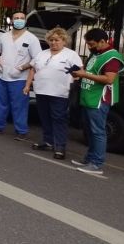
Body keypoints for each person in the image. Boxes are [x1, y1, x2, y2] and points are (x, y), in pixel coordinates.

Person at [22, 27, 82, 160]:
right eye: (51, 40)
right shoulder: (42, 54)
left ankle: (60, 146)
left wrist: (74, 81)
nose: (54, 42)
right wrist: (27, 85)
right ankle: (47, 141)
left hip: (60, 93)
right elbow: (33, 69)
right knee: (45, 117)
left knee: (59, 119)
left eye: (57, 40)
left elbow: (79, 71)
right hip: (42, 91)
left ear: (64, 41)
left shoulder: (71, 54)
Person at [70, 28, 123, 174]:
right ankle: (89, 159)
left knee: (98, 132)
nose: (89, 47)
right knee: (90, 130)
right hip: (89, 98)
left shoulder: (112, 57)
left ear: (103, 41)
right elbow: (91, 72)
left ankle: (97, 164)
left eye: (92, 44)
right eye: (88, 44)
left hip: (99, 100)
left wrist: (84, 74)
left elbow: (109, 79)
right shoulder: (96, 53)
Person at [0, 12, 41, 140]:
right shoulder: (4, 36)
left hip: (19, 79)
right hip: (2, 76)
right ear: (11, 20)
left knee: (19, 105)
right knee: (0, 103)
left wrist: (22, 68)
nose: (19, 20)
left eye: (21, 18)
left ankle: (21, 131)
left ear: (25, 21)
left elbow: (37, 59)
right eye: (16, 18)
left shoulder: (31, 39)